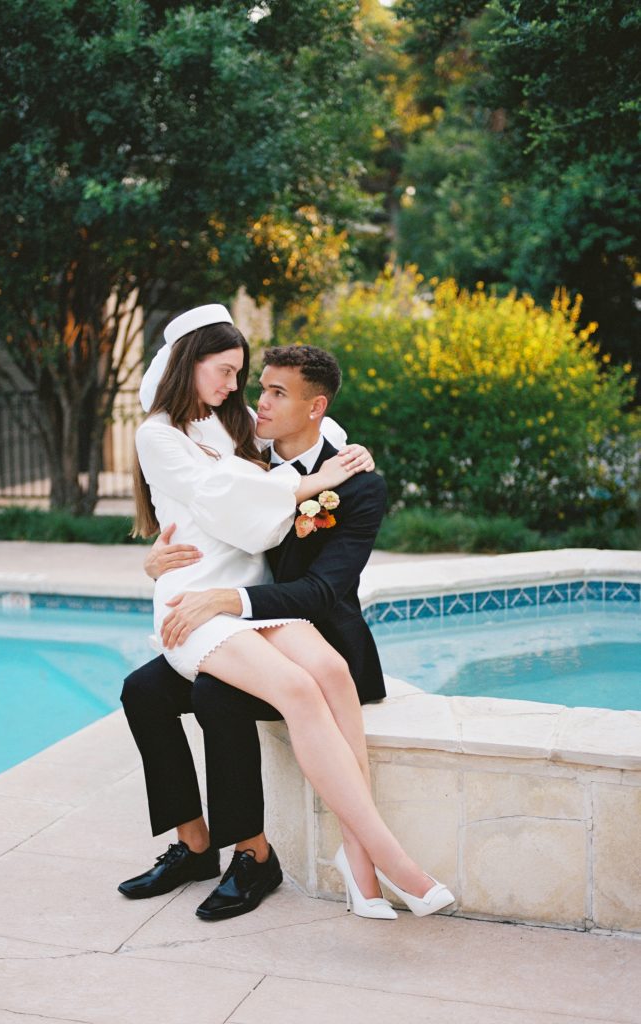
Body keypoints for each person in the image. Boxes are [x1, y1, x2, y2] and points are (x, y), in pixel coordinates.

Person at [120, 303, 455, 922]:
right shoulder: (161, 432)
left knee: (315, 676)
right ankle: (209, 848)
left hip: (249, 606)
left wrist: (348, 465)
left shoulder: (241, 423)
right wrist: (306, 485)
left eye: (245, 379)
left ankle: (342, 864)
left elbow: (314, 421)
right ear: (188, 363)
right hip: (202, 605)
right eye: (226, 373)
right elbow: (216, 500)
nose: (241, 391)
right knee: (149, 691)